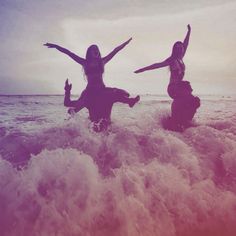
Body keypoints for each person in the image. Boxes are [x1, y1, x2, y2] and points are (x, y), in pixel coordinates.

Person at [44, 39, 139, 131]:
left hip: (102, 89)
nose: (96, 51)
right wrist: (56, 46)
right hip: (90, 92)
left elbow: (115, 51)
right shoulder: (84, 62)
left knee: (118, 93)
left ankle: (130, 101)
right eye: (94, 49)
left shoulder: (102, 61)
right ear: (89, 52)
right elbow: (69, 53)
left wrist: (125, 44)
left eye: (97, 49)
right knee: (72, 108)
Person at [134, 25, 200, 131]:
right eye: (177, 47)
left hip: (181, 87)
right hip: (173, 88)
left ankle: (184, 120)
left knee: (195, 102)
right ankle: (174, 119)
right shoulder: (172, 60)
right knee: (190, 98)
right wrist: (143, 69)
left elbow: (186, 43)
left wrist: (189, 31)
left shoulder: (181, 58)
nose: (180, 48)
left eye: (181, 47)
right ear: (174, 49)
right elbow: (157, 64)